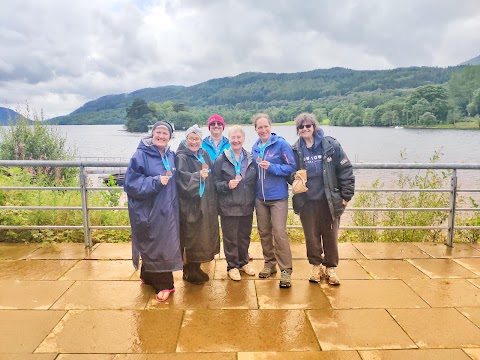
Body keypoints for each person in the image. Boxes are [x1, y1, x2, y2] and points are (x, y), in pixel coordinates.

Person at [290, 113, 355, 285]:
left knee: (330, 235)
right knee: (311, 237)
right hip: (307, 202)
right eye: (301, 127)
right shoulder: (295, 149)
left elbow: (346, 170)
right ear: (298, 130)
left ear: (314, 126)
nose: (305, 129)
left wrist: (346, 196)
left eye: (308, 126)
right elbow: (289, 172)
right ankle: (316, 266)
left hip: (329, 200)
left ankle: (330, 268)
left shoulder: (330, 145)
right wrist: (293, 177)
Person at [124, 121, 182, 302]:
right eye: (159, 132)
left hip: (167, 209)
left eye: (165, 133)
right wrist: (156, 181)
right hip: (149, 210)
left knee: (158, 243)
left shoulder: (170, 155)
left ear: (170, 137)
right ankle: (166, 285)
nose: (161, 136)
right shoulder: (141, 155)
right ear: (152, 133)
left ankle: (148, 276)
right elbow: (131, 184)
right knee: (157, 245)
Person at [251, 113, 297, 288]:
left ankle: (286, 270)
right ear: (255, 130)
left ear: (271, 127)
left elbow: (291, 167)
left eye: (265, 126)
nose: (263, 130)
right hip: (259, 198)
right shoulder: (255, 147)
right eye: (259, 127)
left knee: (279, 232)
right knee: (263, 232)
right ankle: (269, 264)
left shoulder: (281, 144)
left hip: (278, 197)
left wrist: (272, 167)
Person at [176, 124, 220, 285]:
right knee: (192, 237)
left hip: (205, 203)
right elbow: (181, 179)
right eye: (191, 138)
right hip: (191, 205)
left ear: (201, 140)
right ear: (185, 139)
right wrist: (197, 177)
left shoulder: (204, 154)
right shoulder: (182, 157)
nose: (194, 142)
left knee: (203, 236)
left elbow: (212, 174)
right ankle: (188, 270)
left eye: (197, 139)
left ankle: (196, 267)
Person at [213, 125, 257, 281]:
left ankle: (243, 262)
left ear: (243, 139)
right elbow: (215, 183)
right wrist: (227, 185)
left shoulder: (251, 158)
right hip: (228, 206)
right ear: (229, 139)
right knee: (231, 237)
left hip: (246, 205)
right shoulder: (221, 159)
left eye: (239, 137)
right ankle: (232, 266)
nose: (236, 140)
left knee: (244, 236)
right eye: (233, 138)